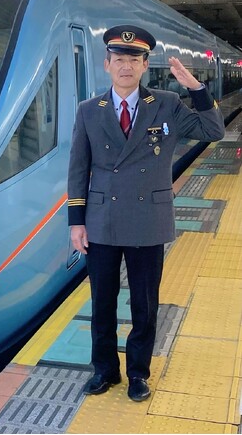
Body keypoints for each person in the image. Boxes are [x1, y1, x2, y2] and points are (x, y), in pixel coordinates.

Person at [67, 24, 225, 402]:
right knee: (102, 302)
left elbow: (214, 130)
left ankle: (138, 373)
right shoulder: (89, 111)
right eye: (119, 59)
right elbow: (77, 168)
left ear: (144, 66)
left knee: (144, 304)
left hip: (148, 221)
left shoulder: (167, 103)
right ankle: (104, 370)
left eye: (134, 60)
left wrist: (197, 89)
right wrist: (76, 222)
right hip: (102, 220)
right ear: (106, 64)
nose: (126, 66)